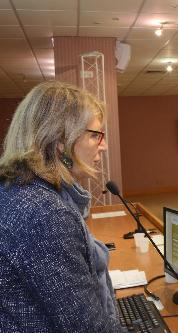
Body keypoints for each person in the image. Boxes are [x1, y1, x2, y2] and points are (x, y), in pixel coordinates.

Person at [0, 81, 123, 332]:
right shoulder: (44, 213)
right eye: (95, 135)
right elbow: (86, 327)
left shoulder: (20, 190)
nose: (104, 145)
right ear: (60, 141)